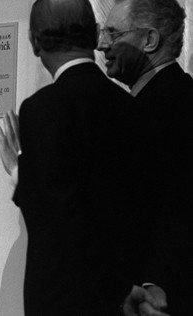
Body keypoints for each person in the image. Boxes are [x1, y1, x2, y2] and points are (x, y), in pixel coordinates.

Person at [8, 0, 166, 315]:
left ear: (35, 42)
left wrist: (19, 173)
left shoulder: (41, 109)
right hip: (127, 298)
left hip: (65, 297)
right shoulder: (133, 107)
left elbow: (57, 219)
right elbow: (146, 208)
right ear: (94, 35)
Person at [97, 0, 193, 314]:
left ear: (149, 40)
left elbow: (177, 206)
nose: (102, 44)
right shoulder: (164, 100)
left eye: (113, 33)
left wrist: (155, 282)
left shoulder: (167, 108)